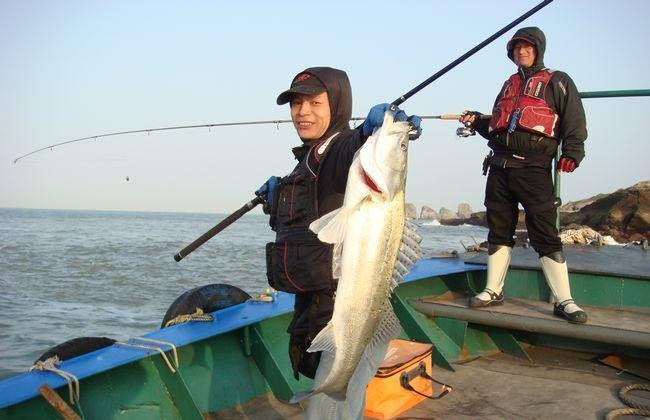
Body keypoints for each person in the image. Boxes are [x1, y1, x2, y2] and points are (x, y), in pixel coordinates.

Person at [255, 66, 421, 417]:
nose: (303, 112)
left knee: (327, 413)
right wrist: (279, 195)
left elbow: (349, 151)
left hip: (347, 312)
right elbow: (308, 227)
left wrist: (371, 132)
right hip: (319, 310)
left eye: (315, 102)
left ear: (339, 107)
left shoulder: (345, 152)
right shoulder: (308, 163)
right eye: (296, 104)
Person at [459, 27, 588, 324]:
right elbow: (498, 126)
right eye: (516, 48)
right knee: (499, 230)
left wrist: (572, 153)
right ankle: (493, 290)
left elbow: (574, 120)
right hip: (500, 169)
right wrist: (477, 120)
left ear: (538, 49)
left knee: (544, 232)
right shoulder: (508, 85)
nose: (521, 52)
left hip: (534, 169)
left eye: (527, 47)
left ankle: (563, 300)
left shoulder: (559, 81)